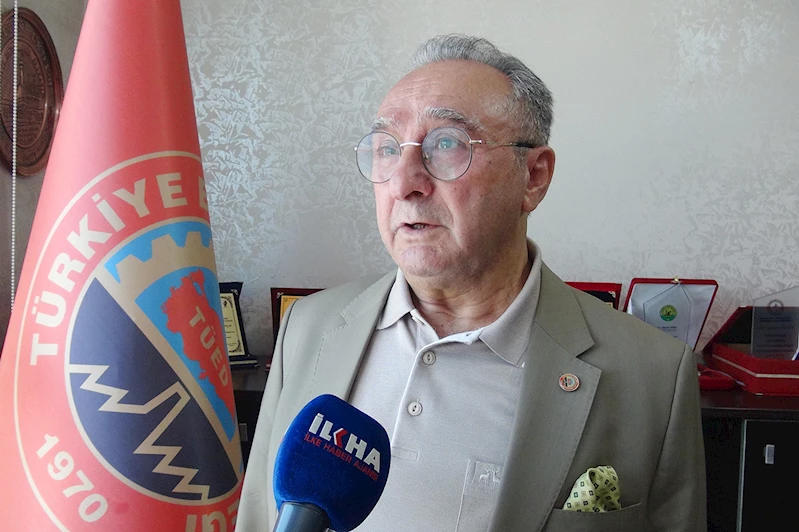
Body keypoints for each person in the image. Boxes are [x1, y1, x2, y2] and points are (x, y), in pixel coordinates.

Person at [236, 34, 706, 532]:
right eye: (388, 148)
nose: (404, 183)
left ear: (534, 177)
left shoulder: (652, 375)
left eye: (446, 144)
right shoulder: (308, 326)